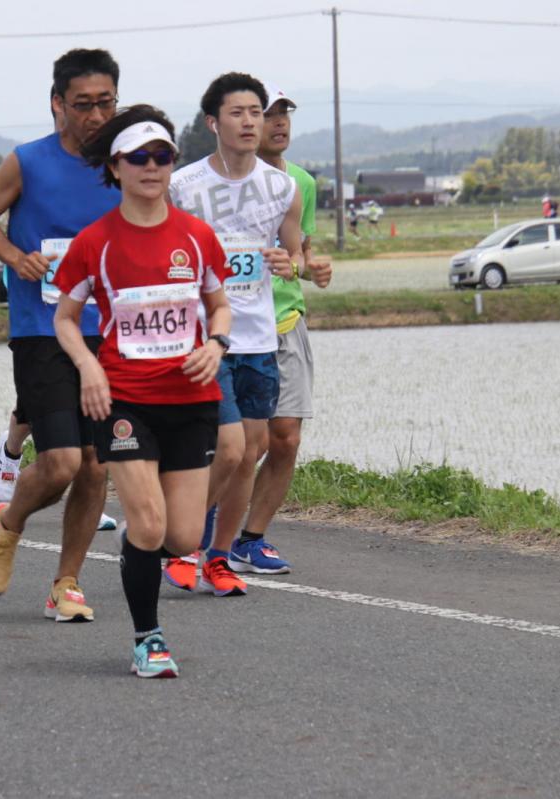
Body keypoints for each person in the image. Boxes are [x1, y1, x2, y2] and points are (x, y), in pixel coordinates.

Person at [54, 105, 231, 676]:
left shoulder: (198, 237)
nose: (153, 167)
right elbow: (64, 316)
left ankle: (140, 536)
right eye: (140, 158)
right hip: (125, 399)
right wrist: (88, 366)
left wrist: (217, 345)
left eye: (163, 157)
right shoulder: (96, 242)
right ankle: (147, 638)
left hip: (192, 400)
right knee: (154, 525)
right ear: (116, 167)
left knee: (178, 537)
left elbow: (219, 304)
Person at [0, 48, 121, 623]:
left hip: (107, 333)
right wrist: (14, 257)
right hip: (41, 330)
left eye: (105, 102)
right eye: (82, 104)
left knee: (97, 464)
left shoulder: (126, 164)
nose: (95, 115)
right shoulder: (27, 161)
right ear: (57, 104)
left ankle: (67, 583)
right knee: (61, 463)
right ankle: (8, 526)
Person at [164, 72, 303, 597]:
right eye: (238, 113)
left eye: (256, 113)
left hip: (260, 337)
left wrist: (288, 261)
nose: (250, 122)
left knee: (251, 451)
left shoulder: (282, 187)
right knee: (225, 448)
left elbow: (294, 258)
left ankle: (219, 556)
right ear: (213, 122)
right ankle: (178, 543)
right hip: (205, 336)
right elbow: (163, 250)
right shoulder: (184, 185)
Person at [236, 84, 332, 575]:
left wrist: (311, 265)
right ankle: (203, 525)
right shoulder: (217, 183)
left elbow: (300, 251)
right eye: (266, 114)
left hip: (286, 321)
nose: (277, 123)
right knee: (238, 445)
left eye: (282, 114)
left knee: (286, 438)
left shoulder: (301, 183)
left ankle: (250, 538)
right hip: (232, 327)